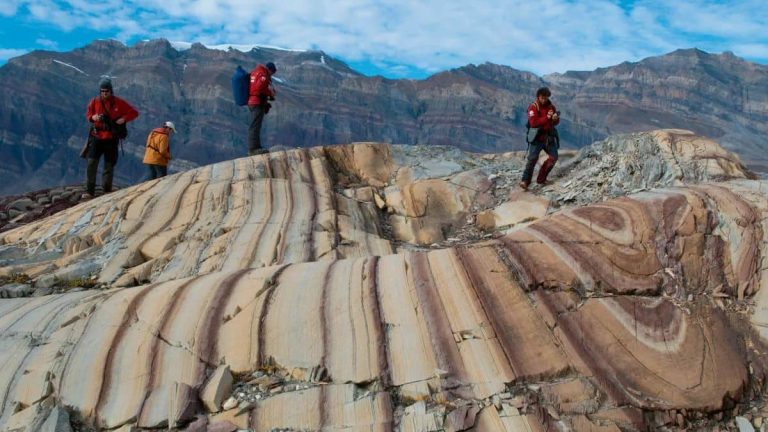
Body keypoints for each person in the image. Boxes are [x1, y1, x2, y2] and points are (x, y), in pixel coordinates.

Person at [83, 78, 139, 199]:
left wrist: (123, 119)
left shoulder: (119, 102)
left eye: (107, 91)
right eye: (102, 91)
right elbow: (88, 114)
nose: (104, 93)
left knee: (109, 165)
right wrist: (93, 118)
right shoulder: (94, 102)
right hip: (97, 137)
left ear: (111, 91)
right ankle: (89, 190)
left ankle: (107, 189)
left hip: (111, 139)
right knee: (91, 163)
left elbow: (134, 112)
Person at [520, 87, 560, 190]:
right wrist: (547, 117)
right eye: (542, 98)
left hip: (548, 137)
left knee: (553, 157)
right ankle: (525, 181)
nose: (544, 100)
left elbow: (555, 123)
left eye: (546, 98)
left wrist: (555, 119)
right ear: (538, 97)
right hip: (537, 138)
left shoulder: (551, 107)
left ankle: (541, 178)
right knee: (532, 159)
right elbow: (534, 123)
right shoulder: (533, 107)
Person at [247, 61, 277, 155]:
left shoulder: (256, 72)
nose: (272, 75)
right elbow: (259, 88)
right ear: (270, 70)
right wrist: (269, 93)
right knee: (255, 126)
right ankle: (253, 149)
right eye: (272, 73)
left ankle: (257, 147)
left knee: (255, 125)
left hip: (252, 101)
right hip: (256, 102)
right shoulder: (263, 75)